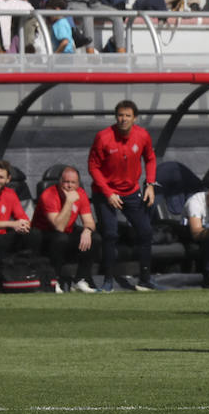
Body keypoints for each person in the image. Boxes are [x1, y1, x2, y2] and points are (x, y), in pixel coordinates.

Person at [87, 99, 159, 291]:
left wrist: (150, 184)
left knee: (145, 231)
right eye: (120, 115)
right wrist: (108, 192)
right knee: (110, 234)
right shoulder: (103, 137)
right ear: (115, 117)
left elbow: (150, 159)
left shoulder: (142, 135)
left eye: (127, 115)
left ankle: (145, 278)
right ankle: (108, 280)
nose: (123, 119)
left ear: (135, 118)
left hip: (131, 192)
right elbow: (93, 167)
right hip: (105, 193)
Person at [32, 164, 100, 293]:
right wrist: (69, 202)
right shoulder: (49, 194)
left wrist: (87, 230)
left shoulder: (80, 193)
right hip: (44, 233)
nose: (69, 186)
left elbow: (90, 221)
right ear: (59, 182)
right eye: (66, 182)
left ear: (78, 184)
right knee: (61, 238)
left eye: (73, 183)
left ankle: (80, 280)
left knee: (95, 238)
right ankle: (54, 280)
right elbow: (59, 226)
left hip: (66, 230)